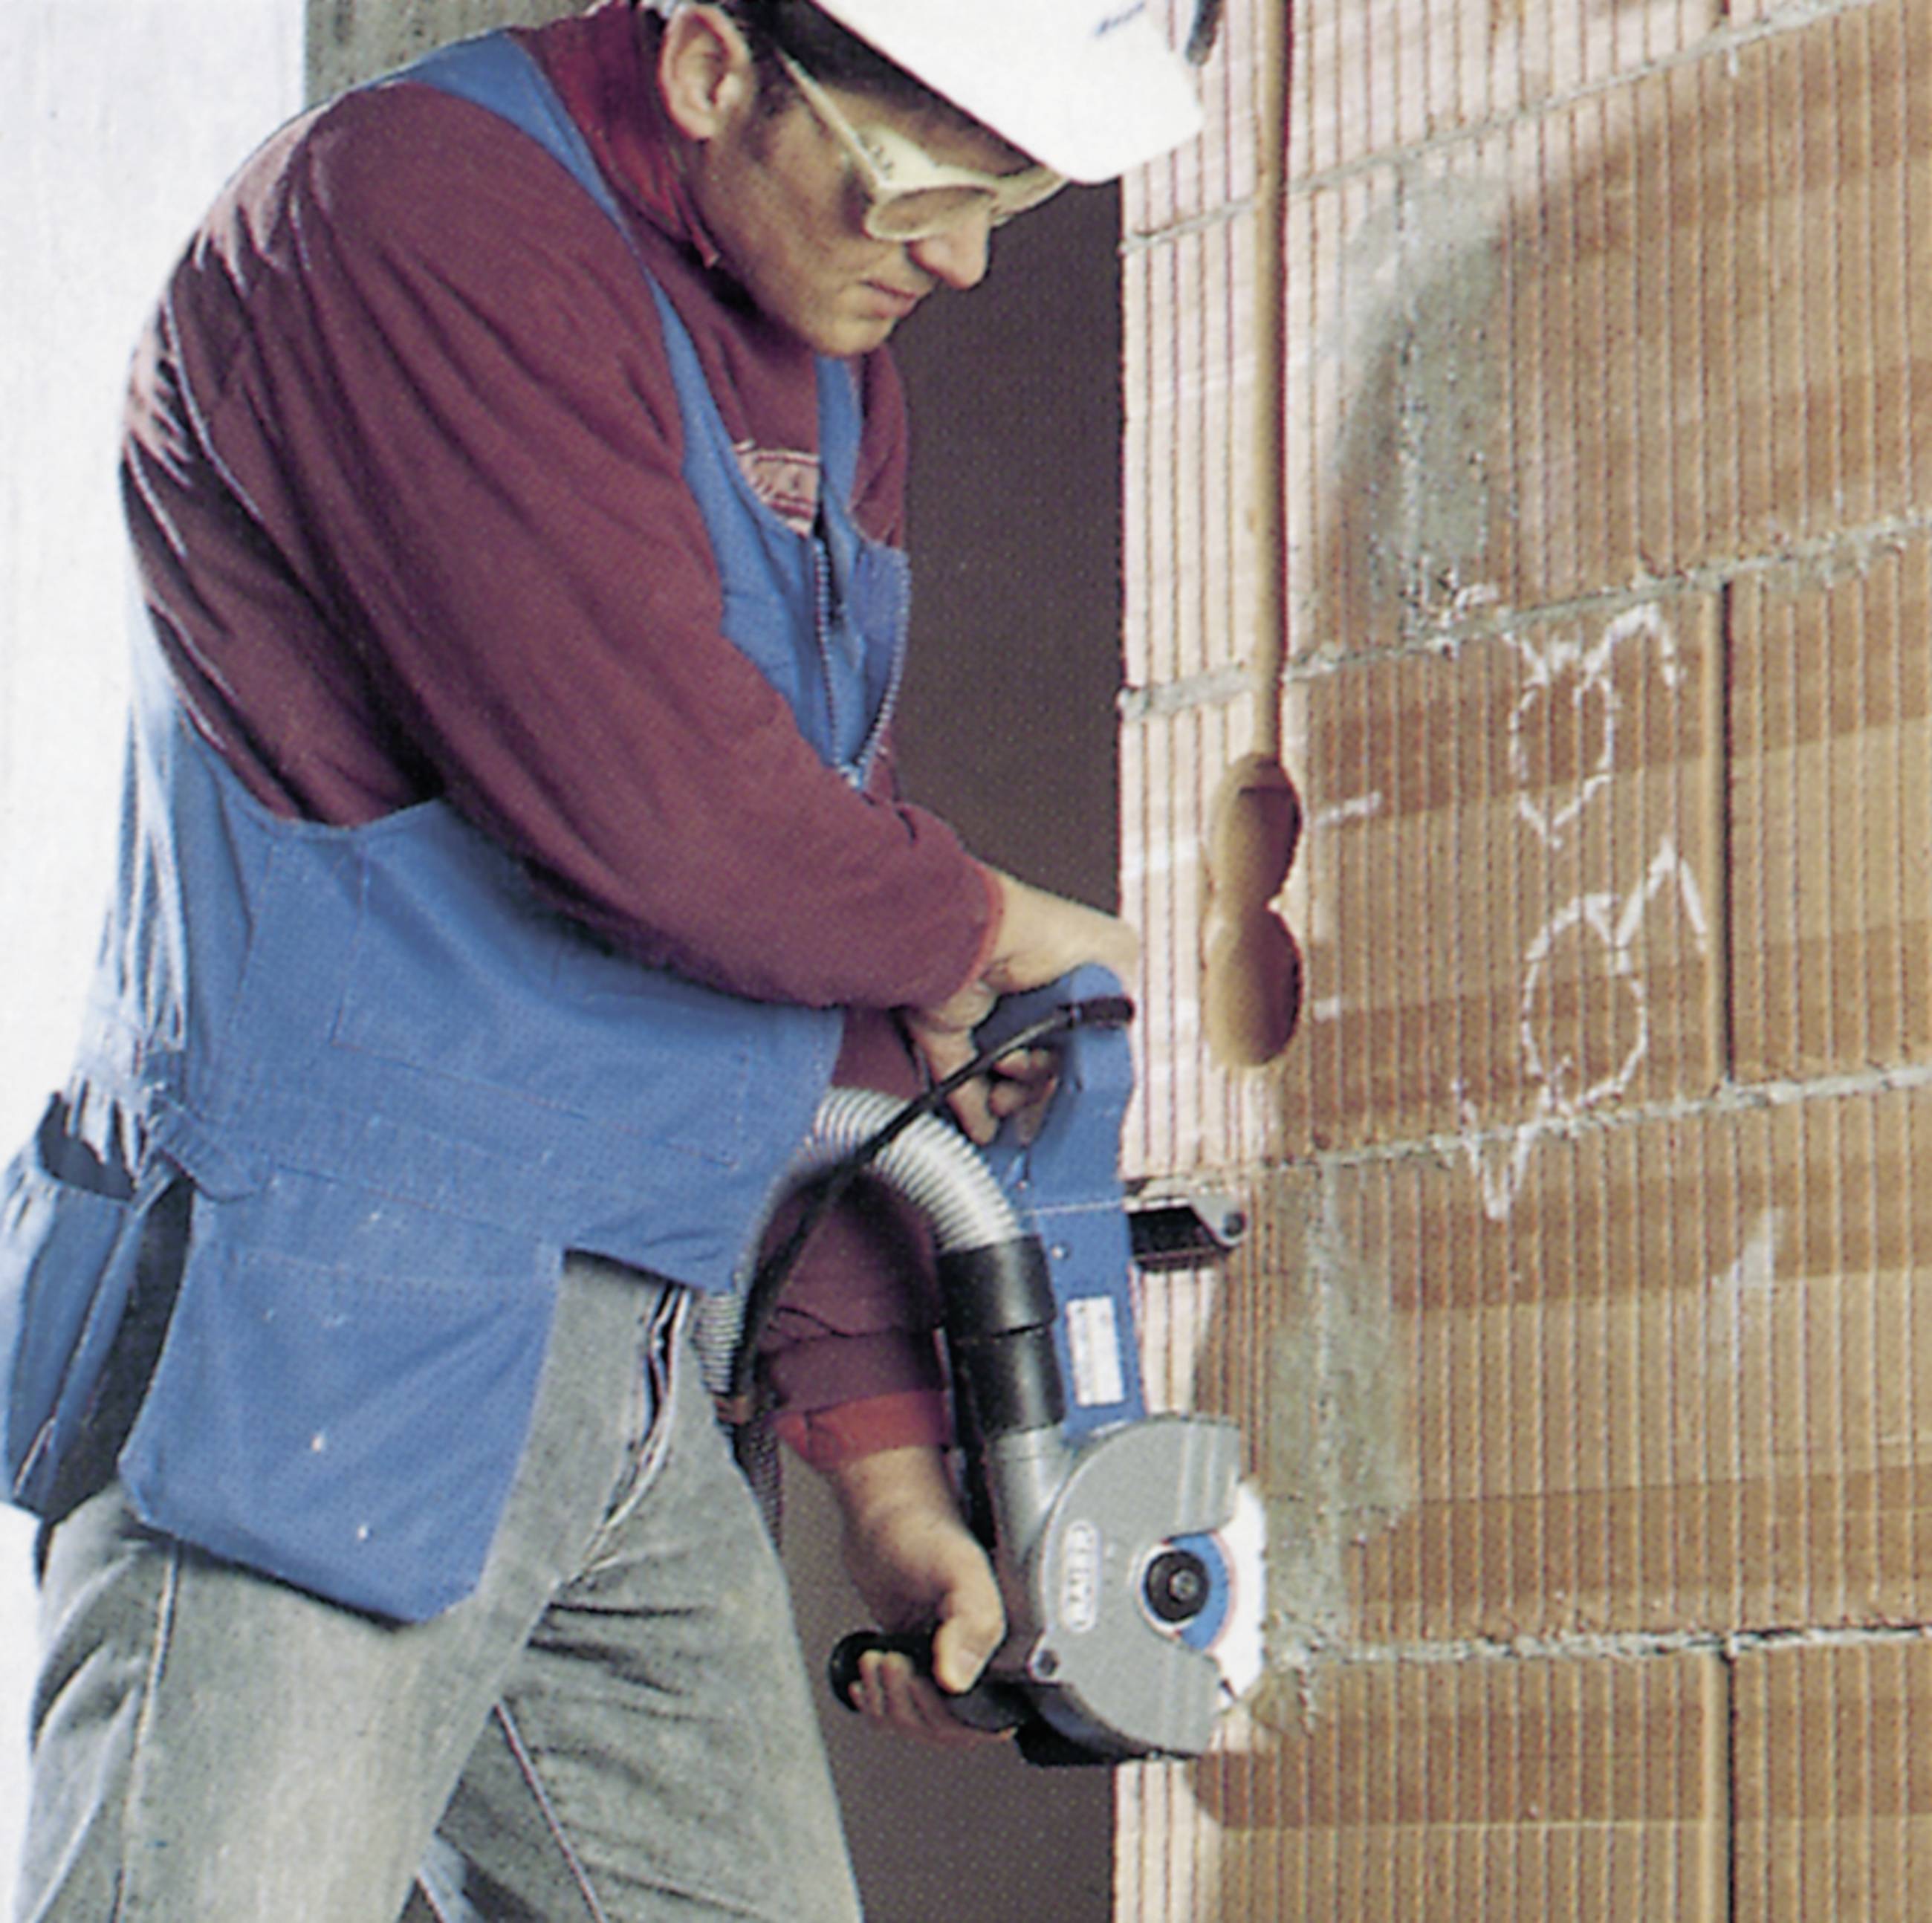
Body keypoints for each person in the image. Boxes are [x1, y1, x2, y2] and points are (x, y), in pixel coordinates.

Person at [2, 1, 1200, 1917]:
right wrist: (984, 916)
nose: (965, 257)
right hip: (335, 1333)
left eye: (1014, 192)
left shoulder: (825, 359)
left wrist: (892, 1484)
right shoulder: (413, 218)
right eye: (924, 181)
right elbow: (665, 811)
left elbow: (801, 944)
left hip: (637, 1371)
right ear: (721, 64)